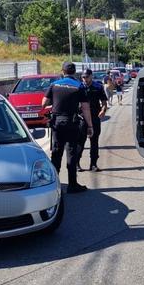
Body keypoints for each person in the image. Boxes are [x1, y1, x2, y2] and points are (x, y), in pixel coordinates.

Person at [41, 62, 94, 193]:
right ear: (74, 72)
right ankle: (72, 185)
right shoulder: (79, 86)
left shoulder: (54, 85)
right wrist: (89, 125)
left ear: (63, 71)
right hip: (72, 123)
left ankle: (54, 185)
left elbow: (44, 103)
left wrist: (55, 102)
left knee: (56, 153)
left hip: (57, 123)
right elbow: (85, 108)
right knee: (71, 153)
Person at [77, 68, 108, 172]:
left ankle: (93, 164)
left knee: (94, 142)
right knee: (80, 141)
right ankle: (77, 163)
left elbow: (104, 102)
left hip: (95, 117)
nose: (85, 79)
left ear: (91, 76)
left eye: (86, 77)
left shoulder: (98, 87)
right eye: (83, 77)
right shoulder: (79, 87)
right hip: (82, 118)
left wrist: (103, 110)